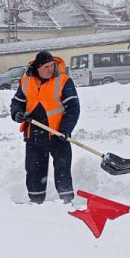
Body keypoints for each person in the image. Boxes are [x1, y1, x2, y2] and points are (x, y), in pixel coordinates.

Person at [9, 51, 80, 204]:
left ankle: (66, 201)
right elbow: (17, 102)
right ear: (38, 68)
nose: (50, 69)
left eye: (52, 65)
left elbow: (73, 108)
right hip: (33, 133)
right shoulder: (26, 80)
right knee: (34, 170)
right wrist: (17, 113)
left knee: (62, 169)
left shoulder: (63, 81)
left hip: (57, 134)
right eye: (46, 66)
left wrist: (65, 129)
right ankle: (35, 201)